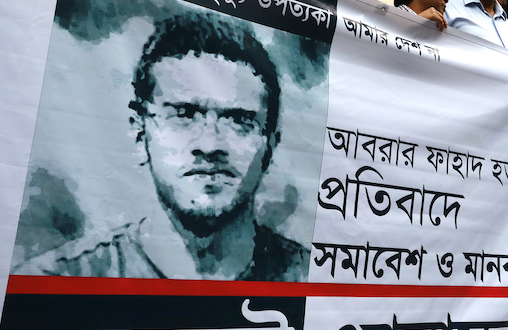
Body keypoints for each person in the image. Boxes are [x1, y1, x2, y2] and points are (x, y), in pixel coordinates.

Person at [16, 14, 308, 281]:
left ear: (270, 145)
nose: (210, 145)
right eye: (183, 115)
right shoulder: (55, 282)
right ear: (139, 132)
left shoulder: (312, 278)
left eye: (239, 120)